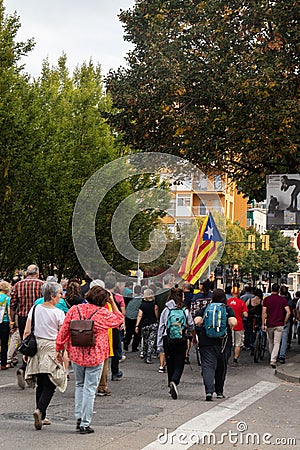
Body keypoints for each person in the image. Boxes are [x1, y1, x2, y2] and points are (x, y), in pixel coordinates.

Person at [56, 285, 124, 434]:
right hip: (95, 354)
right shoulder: (103, 313)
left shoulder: (75, 310)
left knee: (79, 385)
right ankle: (85, 423)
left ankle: (79, 416)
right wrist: (112, 302)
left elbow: (64, 330)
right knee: (90, 388)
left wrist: (59, 348)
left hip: (76, 352)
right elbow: (119, 319)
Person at [24, 282, 67, 430]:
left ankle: (41, 414)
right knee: (51, 383)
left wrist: (26, 352)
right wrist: (61, 352)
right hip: (52, 347)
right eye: (60, 294)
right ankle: (40, 411)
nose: (61, 297)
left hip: (36, 347)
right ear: (53, 296)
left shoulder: (35, 309)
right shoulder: (58, 313)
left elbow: (27, 331)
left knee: (41, 382)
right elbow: (62, 335)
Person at [194, 288, 237, 401]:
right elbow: (233, 322)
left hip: (206, 341)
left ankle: (209, 391)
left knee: (208, 366)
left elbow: (197, 321)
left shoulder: (206, 308)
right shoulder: (227, 309)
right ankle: (219, 391)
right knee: (221, 367)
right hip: (223, 342)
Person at [157, 288, 196, 400]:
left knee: (170, 362)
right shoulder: (184, 310)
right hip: (181, 339)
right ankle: (175, 381)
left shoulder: (166, 310)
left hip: (167, 338)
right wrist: (193, 336)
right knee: (179, 362)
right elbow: (191, 324)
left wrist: (159, 343)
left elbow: (161, 326)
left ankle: (170, 384)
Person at [10, 264, 44, 389]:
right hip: (39, 316)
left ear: (26, 273)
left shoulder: (17, 285)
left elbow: (13, 305)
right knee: (38, 344)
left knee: (26, 343)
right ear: (37, 273)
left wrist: (12, 322)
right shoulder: (42, 285)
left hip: (23, 317)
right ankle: (29, 370)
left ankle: (26, 369)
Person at [262, 283, 290, 368]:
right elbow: (288, 312)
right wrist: (285, 320)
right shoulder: (282, 300)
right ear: (278, 290)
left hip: (270, 323)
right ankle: (273, 359)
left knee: (270, 341)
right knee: (277, 342)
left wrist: (263, 323)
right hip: (280, 323)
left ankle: (272, 357)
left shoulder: (266, 300)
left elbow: (264, 312)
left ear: (271, 289)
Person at [104, 275, 126, 381]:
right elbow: (123, 312)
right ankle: (115, 372)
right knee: (116, 348)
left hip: (103, 324)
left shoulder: (100, 296)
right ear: (115, 284)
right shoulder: (118, 297)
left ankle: (102, 373)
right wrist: (122, 322)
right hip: (114, 325)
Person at [155, 273, 176, 373]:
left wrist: (158, 317)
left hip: (161, 319)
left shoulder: (158, 292)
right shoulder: (172, 292)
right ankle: (170, 361)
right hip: (172, 319)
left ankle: (161, 365)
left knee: (161, 340)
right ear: (170, 281)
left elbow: (156, 307)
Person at [135, 289, 158, 364]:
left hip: (144, 325)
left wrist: (137, 325)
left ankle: (144, 354)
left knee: (145, 340)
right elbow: (156, 314)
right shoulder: (155, 305)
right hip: (153, 324)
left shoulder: (142, 305)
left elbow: (139, 315)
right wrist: (156, 320)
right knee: (151, 341)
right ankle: (148, 356)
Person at [227, 287, 248, 366]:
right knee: (238, 343)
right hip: (239, 325)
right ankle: (235, 360)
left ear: (231, 293)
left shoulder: (228, 302)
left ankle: (227, 358)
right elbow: (246, 314)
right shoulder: (241, 302)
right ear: (239, 293)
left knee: (229, 343)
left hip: (230, 325)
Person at [124, 285, 143, 352]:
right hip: (137, 316)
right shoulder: (142, 298)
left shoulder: (129, 296)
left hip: (128, 315)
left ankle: (126, 345)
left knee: (128, 331)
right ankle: (134, 347)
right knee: (137, 333)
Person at [245, 288, 263, 354]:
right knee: (258, 331)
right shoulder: (261, 301)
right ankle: (257, 344)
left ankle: (251, 344)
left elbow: (244, 309)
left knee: (250, 332)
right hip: (258, 319)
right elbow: (264, 311)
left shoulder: (249, 301)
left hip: (250, 318)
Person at [278, 285, 293, 363]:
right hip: (285, 321)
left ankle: (275, 354)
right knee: (284, 338)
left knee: (276, 339)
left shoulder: (278, 300)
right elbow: (290, 312)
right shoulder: (289, 300)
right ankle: (281, 355)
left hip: (277, 320)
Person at [0, 281, 12, 370]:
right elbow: (9, 312)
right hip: (4, 322)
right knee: (4, 343)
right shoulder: (7, 299)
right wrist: (11, 324)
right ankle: (3, 363)